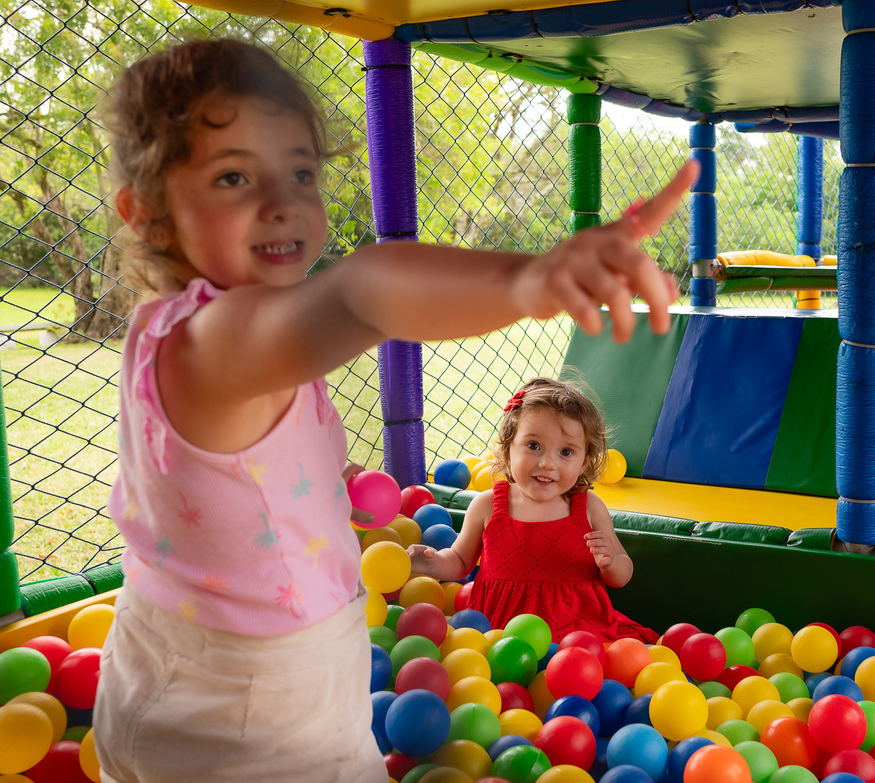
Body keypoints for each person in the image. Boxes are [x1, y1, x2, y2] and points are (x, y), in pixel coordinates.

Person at [93, 38, 695, 783]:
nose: (282, 200)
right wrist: (527, 279)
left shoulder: (186, 328)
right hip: (244, 712)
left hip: (189, 667)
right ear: (146, 213)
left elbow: (227, 471)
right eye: (233, 176)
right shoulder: (214, 341)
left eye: (301, 171)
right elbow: (359, 291)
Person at [408, 377, 658, 643]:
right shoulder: (488, 505)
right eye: (534, 446)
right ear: (508, 449)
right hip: (501, 638)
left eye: (566, 452)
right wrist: (433, 562)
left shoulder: (589, 509)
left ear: (585, 462)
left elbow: (622, 575)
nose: (548, 463)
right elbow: (459, 561)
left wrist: (611, 561)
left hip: (579, 632)